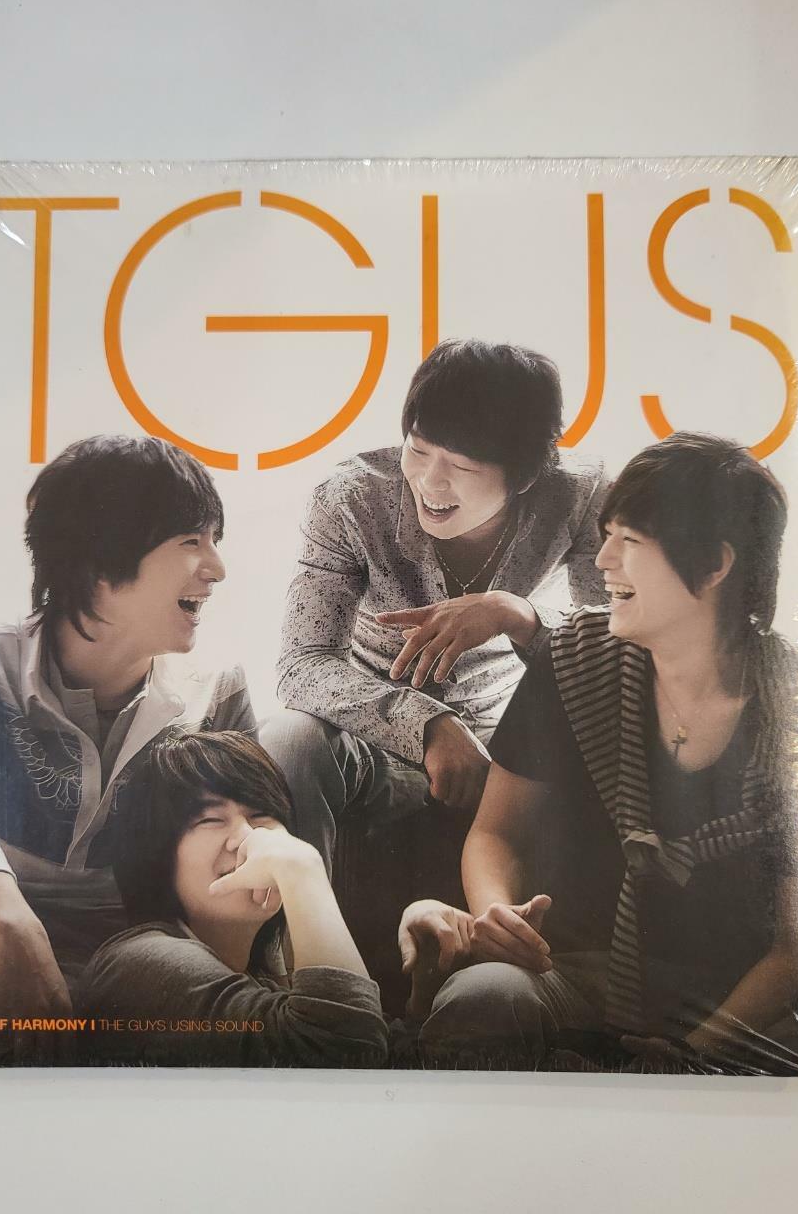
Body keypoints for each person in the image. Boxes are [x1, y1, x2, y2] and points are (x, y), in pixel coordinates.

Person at [405, 432, 798, 1074]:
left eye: (629, 541)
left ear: (714, 566)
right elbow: (497, 834)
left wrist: (697, 1053)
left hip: (735, 1004)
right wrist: (498, 913)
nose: (604, 559)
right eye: (606, 535)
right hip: (571, 971)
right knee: (485, 996)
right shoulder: (577, 661)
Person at [0, 435, 254, 1064]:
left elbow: (245, 851)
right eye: (192, 541)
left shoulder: (216, 696)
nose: (217, 567)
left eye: (215, 540)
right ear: (101, 558)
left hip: (140, 970)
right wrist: (14, 926)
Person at [261, 339, 609, 870]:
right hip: (371, 734)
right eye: (419, 450)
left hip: (508, 742)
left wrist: (516, 614)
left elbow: (614, 649)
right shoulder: (351, 498)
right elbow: (302, 665)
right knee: (289, 737)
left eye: (461, 466)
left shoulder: (579, 495)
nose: (429, 481)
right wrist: (427, 724)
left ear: (526, 474)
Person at [79, 731, 389, 1067]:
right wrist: (303, 870)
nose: (247, 836)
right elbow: (347, 1056)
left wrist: (423, 988)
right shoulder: (142, 963)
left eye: (261, 815)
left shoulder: (256, 980)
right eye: (211, 819)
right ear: (155, 855)